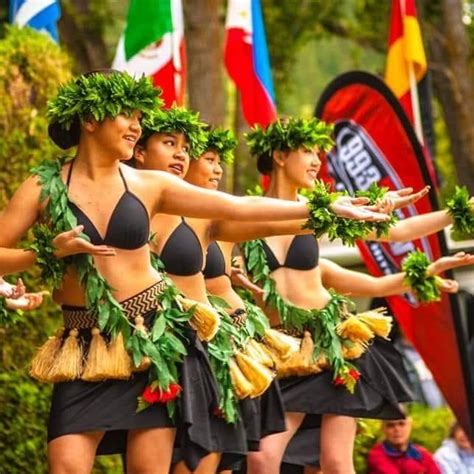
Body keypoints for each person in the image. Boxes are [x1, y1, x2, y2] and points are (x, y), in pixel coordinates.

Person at [0, 71, 388, 474]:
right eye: (126, 115)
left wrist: (327, 208)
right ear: (90, 119)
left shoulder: (149, 184)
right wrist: (44, 252)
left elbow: (237, 207)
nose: (136, 126)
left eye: (139, 118)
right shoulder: (43, 187)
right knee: (64, 466)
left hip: (155, 342)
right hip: (82, 344)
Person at [240, 117, 474, 474]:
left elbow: (398, 232)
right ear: (279, 155)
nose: (318, 160)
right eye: (307, 151)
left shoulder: (323, 210)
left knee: (335, 461)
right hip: (278, 352)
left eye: (320, 153)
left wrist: (458, 212)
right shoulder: (248, 213)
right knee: (261, 458)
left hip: (329, 345)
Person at [368, 415, 441, 473]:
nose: (397, 429)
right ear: (383, 429)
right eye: (391, 425)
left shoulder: (423, 454)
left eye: (401, 424)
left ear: (410, 426)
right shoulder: (377, 454)